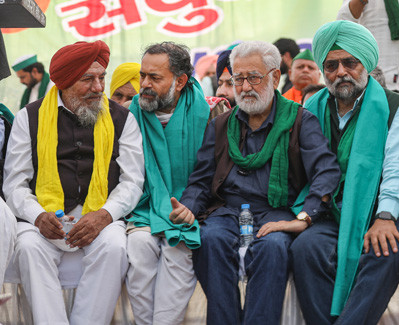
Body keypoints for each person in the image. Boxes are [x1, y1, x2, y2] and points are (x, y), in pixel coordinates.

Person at [170, 41, 340, 324]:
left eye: (254, 77)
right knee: (209, 240)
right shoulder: (221, 124)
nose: (245, 86)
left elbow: (326, 171)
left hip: (276, 211)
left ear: (275, 77)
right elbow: (201, 181)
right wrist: (187, 207)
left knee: (273, 248)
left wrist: (304, 217)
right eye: (238, 78)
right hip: (225, 211)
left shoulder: (300, 121)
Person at [3, 41, 144, 324]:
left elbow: (132, 180)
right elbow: (15, 183)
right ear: (65, 82)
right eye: (87, 79)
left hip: (100, 214)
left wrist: (104, 215)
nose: (98, 87)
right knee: (30, 249)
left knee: (115, 247)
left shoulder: (122, 119)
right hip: (44, 217)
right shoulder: (28, 117)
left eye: (102, 78)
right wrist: (37, 216)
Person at [290, 20, 399, 324]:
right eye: (331, 65)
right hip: (330, 209)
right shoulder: (312, 107)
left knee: (385, 249)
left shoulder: (396, 106)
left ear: (366, 64)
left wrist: (385, 217)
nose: (341, 72)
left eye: (350, 62)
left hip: (384, 208)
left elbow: (398, 169)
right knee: (306, 249)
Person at [125, 42, 208, 324]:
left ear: (181, 81)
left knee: (179, 247)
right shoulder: (128, 114)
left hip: (190, 209)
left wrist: (192, 206)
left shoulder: (210, 114)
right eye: (142, 76)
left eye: (155, 78)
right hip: (143, 207)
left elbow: (212, 175)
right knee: (138, 245)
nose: (145, 85)